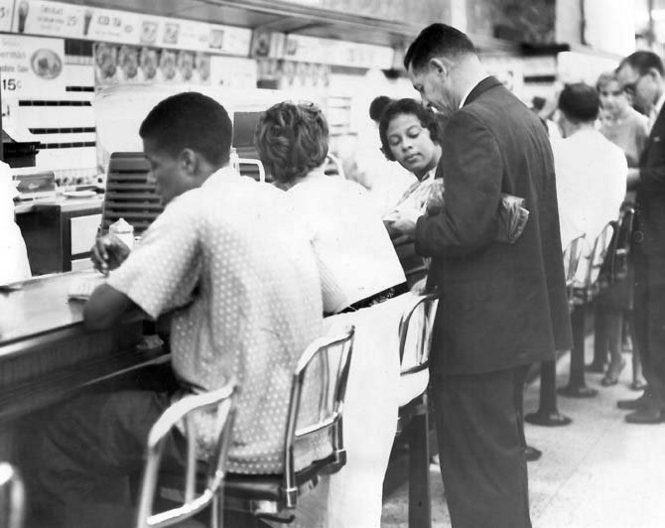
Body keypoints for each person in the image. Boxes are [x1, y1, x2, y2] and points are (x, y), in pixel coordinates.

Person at [35, 92, 326, 528]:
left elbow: (98, 314)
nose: (152, 180)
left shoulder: (193, 208)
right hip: (297, 423)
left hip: (228, 429)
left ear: (188, 162)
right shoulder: (271, 199)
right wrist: (137, 271)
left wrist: (120, 278)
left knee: (53, 436)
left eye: (155, 165)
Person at [387, 23, 571, 528]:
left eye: (423, 88)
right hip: (517, 319)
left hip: (477, 331)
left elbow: (464, 231)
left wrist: (417, 226)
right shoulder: (522, 116)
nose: (428, 102)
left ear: (440, 68)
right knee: (500, 460)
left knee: (472, 469)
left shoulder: (470, 121)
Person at [254, 101, 408, 528]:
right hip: (386, 338)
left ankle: (264, 503)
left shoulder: (287, 208)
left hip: (347, 351)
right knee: (357, 485)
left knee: (339, 485)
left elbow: (275, 293)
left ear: (268, 157)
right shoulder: (352, 191)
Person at [254, 100, 407, 315]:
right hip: (403, 323)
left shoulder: (287, 205)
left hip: (350, 335)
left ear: (269, 162)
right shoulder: (354, 190)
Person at [551, 83, 627, 385]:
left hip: (566, 267)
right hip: (602, 261)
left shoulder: (557, 150)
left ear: (562, 115)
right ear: (598, 112)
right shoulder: (616, 154)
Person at [616, 51, 665, 423]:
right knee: (646, 315)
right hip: (651, 238)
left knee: (655, 319)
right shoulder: (657, 116)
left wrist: (625, 176)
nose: (630, 96)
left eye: (632, 87)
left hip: (661, 241)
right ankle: (652, 390)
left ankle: (658, 400)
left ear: (653, 76)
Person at [379, 97, 444, 225]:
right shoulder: (414, 188)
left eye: (413, 134)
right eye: (395, 142)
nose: (405, 145)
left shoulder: (449, 180)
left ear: (432, 131)